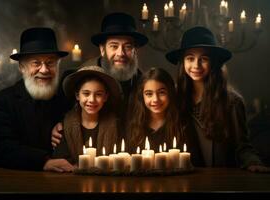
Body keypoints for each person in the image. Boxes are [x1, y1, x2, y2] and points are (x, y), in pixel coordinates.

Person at [165, 26, 269, 172]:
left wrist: (253, 162)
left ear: (213, 62)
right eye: (190, 58)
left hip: (223, 179)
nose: (196, 65)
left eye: (204, 59)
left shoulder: (232, 102)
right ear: (182, 62)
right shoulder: (175, 98)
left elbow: (243, 146)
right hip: (187, 178)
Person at [51, 12, 148, 148]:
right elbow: (63, 116)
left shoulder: (144, 83)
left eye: (128, 46)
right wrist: (58, 125)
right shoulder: (77, 78)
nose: (121, 53)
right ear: (102, 49)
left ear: (135, 51)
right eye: (114, 46)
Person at [0, 27, 73, 172]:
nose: (44, 70)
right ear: (22, 67)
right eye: (36, 63)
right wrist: (44, 161)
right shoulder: (1, 102)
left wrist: (66, 123)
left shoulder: (64, 100)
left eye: (50, 63)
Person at [51, 66, 122, 166]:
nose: (92, 99)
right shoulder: (65, 126)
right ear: (77, 95)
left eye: (98, 94)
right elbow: (61, 159)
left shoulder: (116, 125)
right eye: (86, 93)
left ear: (105, 97)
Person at [126, 67, 182, 153]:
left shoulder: (182, 125)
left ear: (170, 93)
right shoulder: (133, 126)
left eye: (161, 93)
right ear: (142, 96)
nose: (155, 99)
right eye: (149, 94)